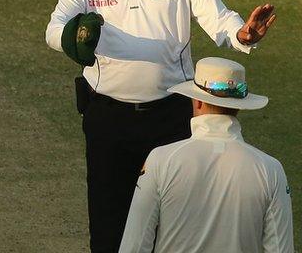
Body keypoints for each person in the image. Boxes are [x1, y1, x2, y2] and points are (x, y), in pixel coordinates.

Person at [44, 0, 277, 251]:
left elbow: (219, 19)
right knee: (110, 226)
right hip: (109, 121)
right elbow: (54, 29)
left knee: (175, 226)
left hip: (170, 118)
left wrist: (242, 35)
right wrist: (72, 37)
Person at [119, 57, 294, 253]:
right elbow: (281, 249)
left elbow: (133, 246)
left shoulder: (161, 160)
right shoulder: (271, 169)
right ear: (238, 106)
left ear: (198, 102)